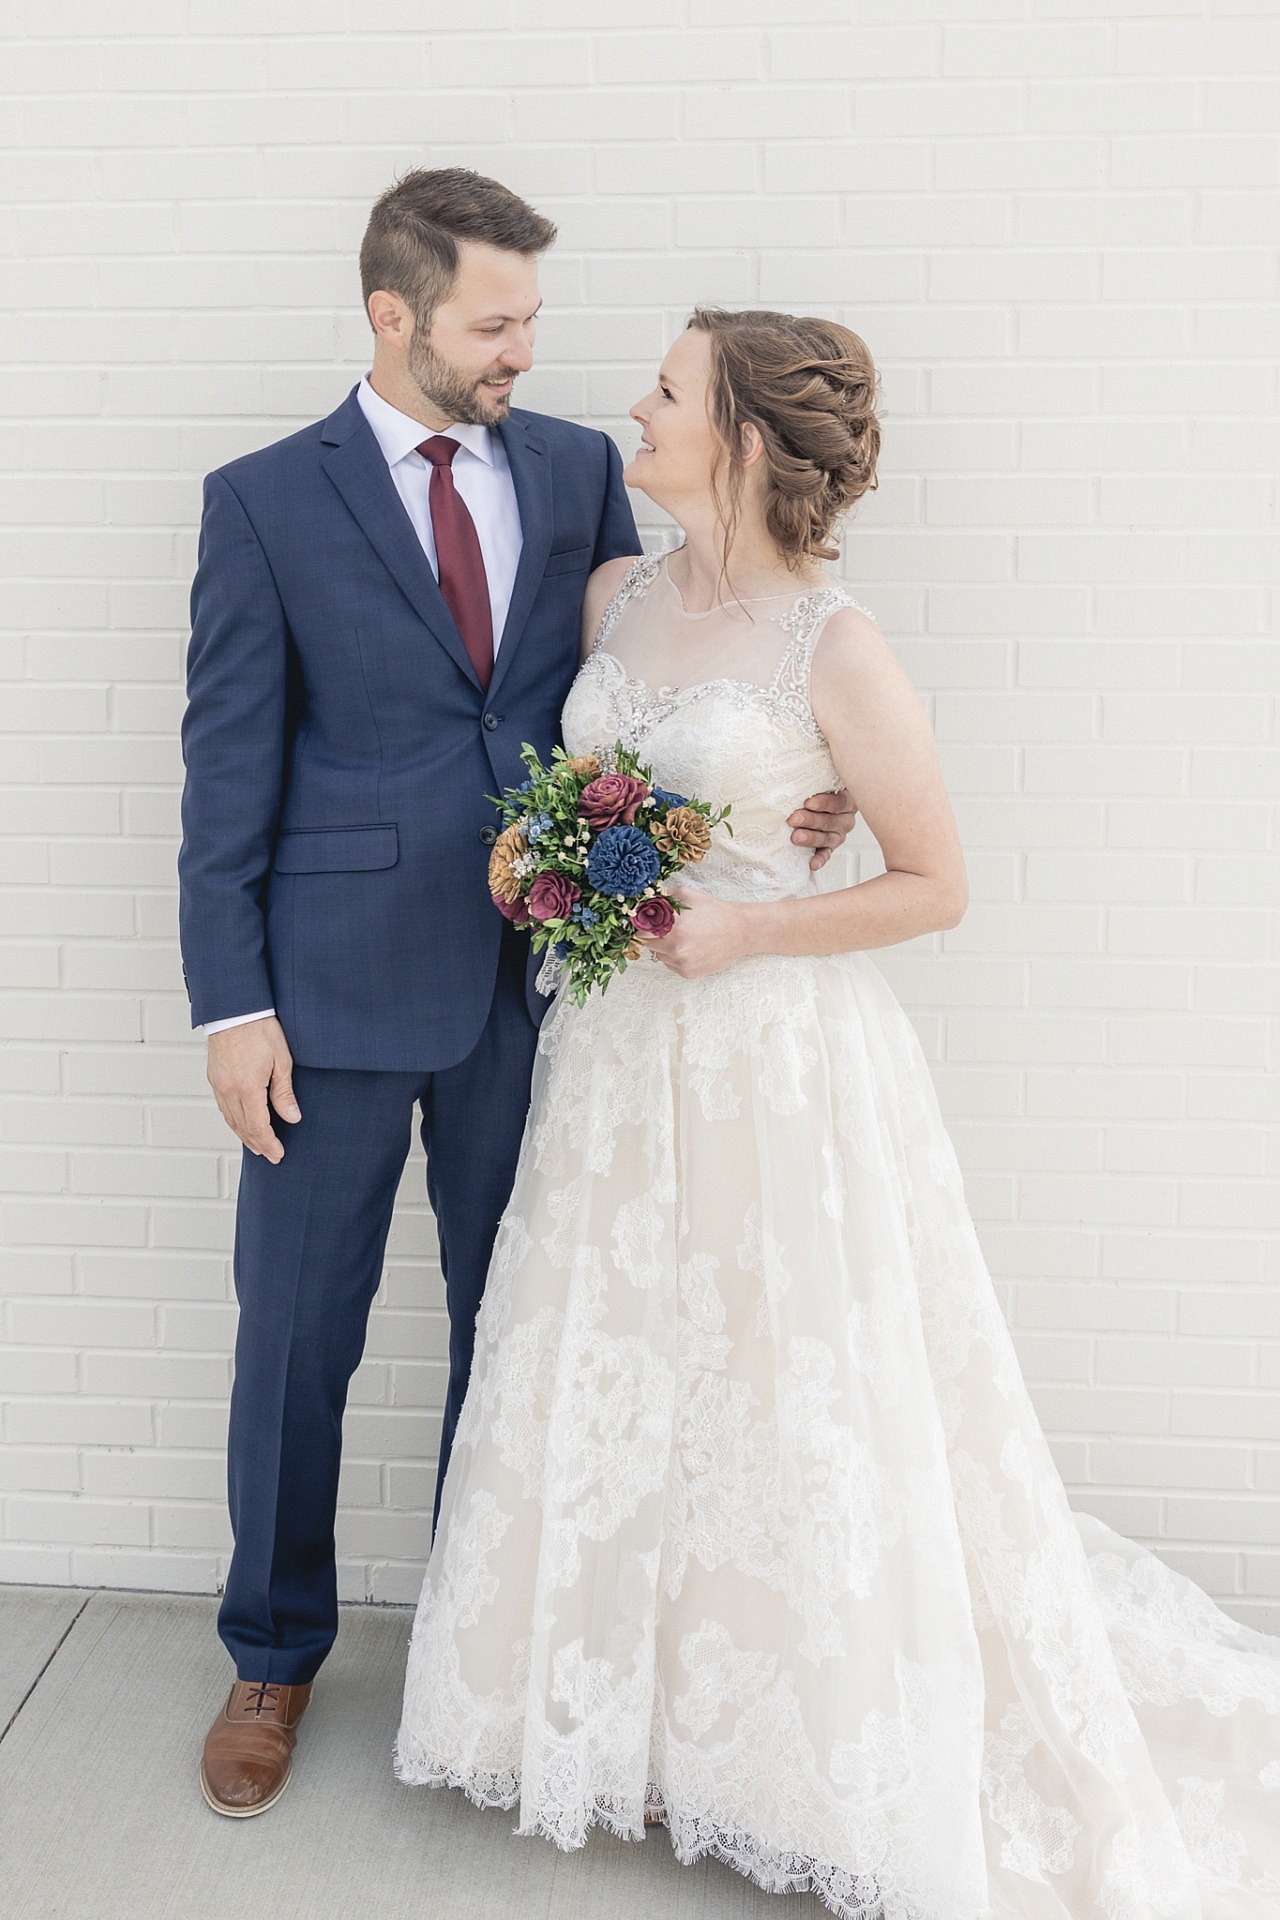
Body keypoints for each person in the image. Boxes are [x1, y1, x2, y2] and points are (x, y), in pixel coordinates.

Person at [395, 308, 1280, 1917]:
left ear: (739, 440)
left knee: (780, 1383)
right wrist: (546, 865)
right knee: (631, 1369)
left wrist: (748, 925)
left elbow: (936, 884)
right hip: (613, 1063)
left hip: (776, 1066)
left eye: (670, 390)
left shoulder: (838, 647)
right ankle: (636, 1720)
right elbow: (556, 777)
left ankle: (806, 1745)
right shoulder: (611, 596)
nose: (638, 407)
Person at [178, 172, 855, 1819]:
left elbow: (652, 676)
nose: (525, 353)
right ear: (391, 313)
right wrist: (231, 1005)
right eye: (495, 324)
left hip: (546, 988)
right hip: (327, 999)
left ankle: (481, 1654)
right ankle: (272, 1654)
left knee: (525, 1332)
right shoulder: (263, 502)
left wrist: (778, 796)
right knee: (296, 1339)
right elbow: (224, 771)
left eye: (532, 320)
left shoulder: (568, 470)